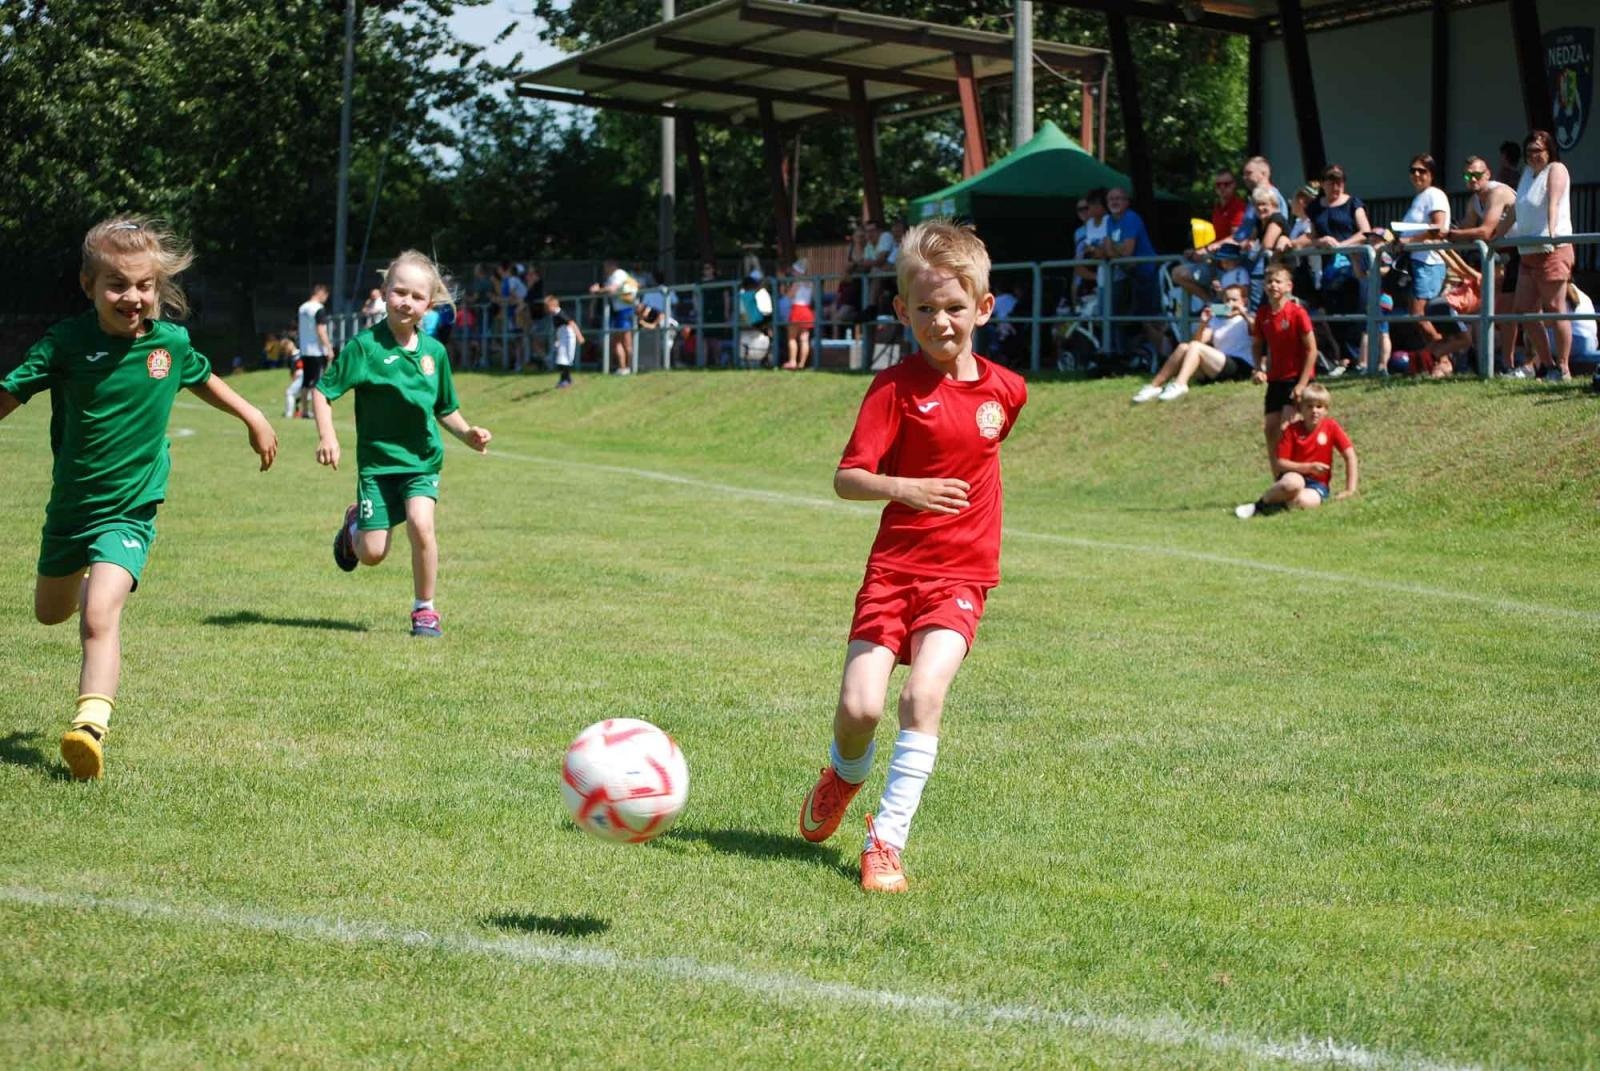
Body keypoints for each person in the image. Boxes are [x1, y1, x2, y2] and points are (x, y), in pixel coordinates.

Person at [0, 216, 278, 780]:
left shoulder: (169, 344)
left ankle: (89, 727)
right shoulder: (66, 343)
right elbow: (10, 392)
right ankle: (87, 578)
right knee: (51, 612)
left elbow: (203, 377)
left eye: (144, 286)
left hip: (131, 509)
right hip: (71, 508)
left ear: (159, 286)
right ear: (88, 285)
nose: (132, 297)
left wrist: (253, 415)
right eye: (117, 285)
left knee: (101, 616)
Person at [797, 219, 1027, 894]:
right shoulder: (891, 388)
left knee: (923, 695)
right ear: (902, 311)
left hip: (962, 576)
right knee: (862, 706)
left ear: (983, 308)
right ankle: (844, 772)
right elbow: (847, 477)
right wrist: (905, 488)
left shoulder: (1007, 391)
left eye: (955, 307)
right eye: (923, 308)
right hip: (894, 569)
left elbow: (983, 447)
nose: (940, 321)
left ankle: (886, 841)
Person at [313, 250, 492, 638]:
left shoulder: (435, 353)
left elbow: (445, 407)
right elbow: (323, 392)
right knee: (373, 554)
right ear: (384, 293)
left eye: (416, 296)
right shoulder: (365, 348)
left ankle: (424, 610)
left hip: (422, 462)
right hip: (377, 467)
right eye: (399, 292)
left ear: (429, 305)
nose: (406, 302)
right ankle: (353, 525)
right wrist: (328, 435)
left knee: (421, 524)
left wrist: (467, 434)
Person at [1497, 130, 1575, 380]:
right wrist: (1496, 236)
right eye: (1529, 151)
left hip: (1551, 250)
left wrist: (1552, 232)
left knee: (1555, 308)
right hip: (1527, 252)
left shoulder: (1556, 169)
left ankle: (1563, 368)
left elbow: (1553, 199)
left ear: (1549, 150)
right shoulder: (1527, 176)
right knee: (1525, 310)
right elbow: (1516, 210)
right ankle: (1549, 365)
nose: (1533, 156)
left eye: (1538, 150)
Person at [1234, 384, 1358, 518]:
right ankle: (1258, 505)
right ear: (1301, 409)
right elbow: (1280, 463)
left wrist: (1350, 490)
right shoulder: (1292, 430)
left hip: (1318, 484)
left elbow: (1350, 456)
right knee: (1293, 484)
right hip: (1295, 476)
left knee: (1303, 501)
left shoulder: (1331, 427)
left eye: (1319, 406)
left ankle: (1277, 505)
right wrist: (1308, 468)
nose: (1314, 411)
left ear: (1326, 410)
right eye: (1309, 406)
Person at [1446, 156, 1518, 371]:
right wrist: (1438, 232)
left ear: (1488, 174)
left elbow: (1484, 231)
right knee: (1507, 313)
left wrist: (1449, 233)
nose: (1472, 179)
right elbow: (1465, 229)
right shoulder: (1474, 201)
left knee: (1534, 313)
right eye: (1468, 175)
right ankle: (1508, 364)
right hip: (1511, 256)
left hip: (1528, 251)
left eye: (1477, 174)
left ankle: (1544, 365)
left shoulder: (1498, 192)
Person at [1131, 283, 1254, 402]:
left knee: (1195, 346)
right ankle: (1154, 386)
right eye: (1226, 300)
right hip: (1219, 363)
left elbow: (1258, 332)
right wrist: (1203, 323)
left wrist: (1243, 313)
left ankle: (1180, 384)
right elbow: (1196, 342)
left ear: (1245, 301)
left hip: (1241, 365)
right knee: (1184, 347)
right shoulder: (1217, 320)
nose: (1230, 304)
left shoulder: (1250, 317)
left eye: (1234, 300)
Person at [1303, 165, 1373, 373]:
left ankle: (1359, 360)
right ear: (1323, 183)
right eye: (1332, 181)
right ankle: (1342, 359)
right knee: (1333, 312)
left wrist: (1343, 245)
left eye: (1340, 181)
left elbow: (1365, 232)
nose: (1336, 185)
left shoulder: (1353, 203)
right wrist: (1321, 241)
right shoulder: (1316, 207)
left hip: (1354, 264)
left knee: (1357, 310)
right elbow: (1312, 237)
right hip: (1329, 268)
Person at [1252, 263, 1317, 468]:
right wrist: (1258, 368)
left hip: (1296, 378)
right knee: (1270, 430)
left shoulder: (1297, 313)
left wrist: (1302, 384)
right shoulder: (1262, 315)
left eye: (1278, 281)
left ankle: (1298, 476)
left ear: (1289, 286)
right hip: (1276, 380)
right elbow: (1257, 344)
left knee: (1287, 428)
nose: (1273, 285)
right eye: (1269, 281)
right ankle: (1278, 478)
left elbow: (1312, 350)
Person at [1391, 154, 1452, 362]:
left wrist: (1409, 241)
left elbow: (1439, 228)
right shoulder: (1419, 198)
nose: (1417, 174)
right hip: (1416, 263)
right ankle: (1437, 359)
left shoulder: (1434, 194)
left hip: (1429, 262)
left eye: (1422, 170)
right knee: (1417, 315)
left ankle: (1446, 357)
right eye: (1413, 170)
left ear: (1431, 174)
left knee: (1420, 315)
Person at [1101, 186, 1166, 363]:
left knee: (1150, 319)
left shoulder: (1131, 218)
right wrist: (1116, 248)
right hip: (1129, 276)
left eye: (1118, 198)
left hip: (1147, 273)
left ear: (1127, 202)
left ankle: (1163, 357)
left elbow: (1126, 251)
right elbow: (1107, 251)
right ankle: (1126, 357)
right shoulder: (1108, 220)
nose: (1114, 202)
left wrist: (1112, 246)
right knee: (1122, 317)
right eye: (1110, 199)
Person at [1171, 168, 1248, 305]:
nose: (1222, 188)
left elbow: (1236, 237)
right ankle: (1211, 304)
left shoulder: (1239, 206)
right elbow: (1219, 239)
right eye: (1218, 185)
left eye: (1227, 184)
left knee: (1232, 308)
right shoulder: (1217, 208)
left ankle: (1217, 308)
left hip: (1232, 268)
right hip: (1215, 266)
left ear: (1234, 185)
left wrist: (1206, 250)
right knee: (1178, 273)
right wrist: (1197, 251)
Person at [589, 258, 637, 375]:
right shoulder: (613, 277)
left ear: (612, 265)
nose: (604, 269)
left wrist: (597, 290)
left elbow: (612, 289)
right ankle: (628, 368)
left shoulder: (618, 274)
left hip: (624, 311)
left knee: (620, 342)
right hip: (621, 311)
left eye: (606, 266)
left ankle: (625, 368)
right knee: (622, 341)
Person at [296, 281, 333, 419]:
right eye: (326, 295)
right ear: (321, 293)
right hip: (317, 350)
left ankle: (305, 410)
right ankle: (317, 410)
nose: (326, 298)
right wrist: (328, 348)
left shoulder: (302, 308)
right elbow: (321, 330)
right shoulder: (318, 308)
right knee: (317, 382)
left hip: (305, 349)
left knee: (306, 381)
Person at [545, 292, 584, 389]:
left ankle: (565, 380)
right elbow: (558, 329)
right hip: (562, 338)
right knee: (562, 359)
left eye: (547, 306)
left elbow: (572, 323)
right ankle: (566, 379)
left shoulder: (560, 314)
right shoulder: (554, 315)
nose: (546, 309)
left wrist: (579, 336)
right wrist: (557, 340)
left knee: (563, 359)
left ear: (553, 305)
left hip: (567, 338)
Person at [781, 259, 815, 370]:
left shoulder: (797, 282)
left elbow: (790, 296)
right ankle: (802, 363)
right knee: (804, 339)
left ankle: (793, 362)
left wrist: (784, 291)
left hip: (797, 309)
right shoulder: (810, 283)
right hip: (807, 310)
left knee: (792, 338)